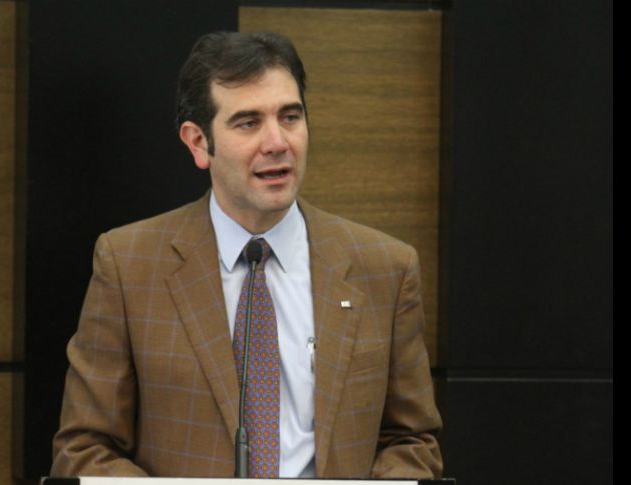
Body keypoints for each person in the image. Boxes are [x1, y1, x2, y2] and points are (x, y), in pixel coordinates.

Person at [51, 31, 443, 479]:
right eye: (248, 123)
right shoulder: (129, 265)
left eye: (290, 117)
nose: (277, 142)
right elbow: (85, 449)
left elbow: (411, 442)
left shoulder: (385, 269)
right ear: (198, 143)